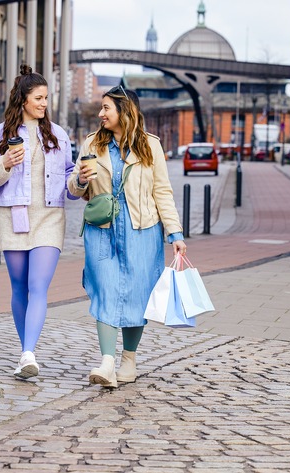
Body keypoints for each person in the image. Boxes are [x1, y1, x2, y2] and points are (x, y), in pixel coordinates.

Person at [68, 85, 187, 388]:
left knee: (136, 296)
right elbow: (75, 188)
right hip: (101, 229)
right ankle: (107, 362)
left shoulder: (151, 146)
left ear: (124, 110)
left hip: (142, 230)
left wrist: (175, 232)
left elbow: (162, 192)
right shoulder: (92, 143)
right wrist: (80, 180)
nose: (100, 113)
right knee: (105, 290)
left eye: (106, 107)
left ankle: (128, 361)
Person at [0, 65, 76, 380]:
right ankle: (26, 353)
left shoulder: (58, 134)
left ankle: (28, 352)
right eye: (38, 98)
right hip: (13, 217)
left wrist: (82, 180)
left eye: (46, 98)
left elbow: (71, 179)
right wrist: (3, 163)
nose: (44, 103)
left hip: (49, 217)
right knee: (19, 288)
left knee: (38, 286)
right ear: (22, 99)